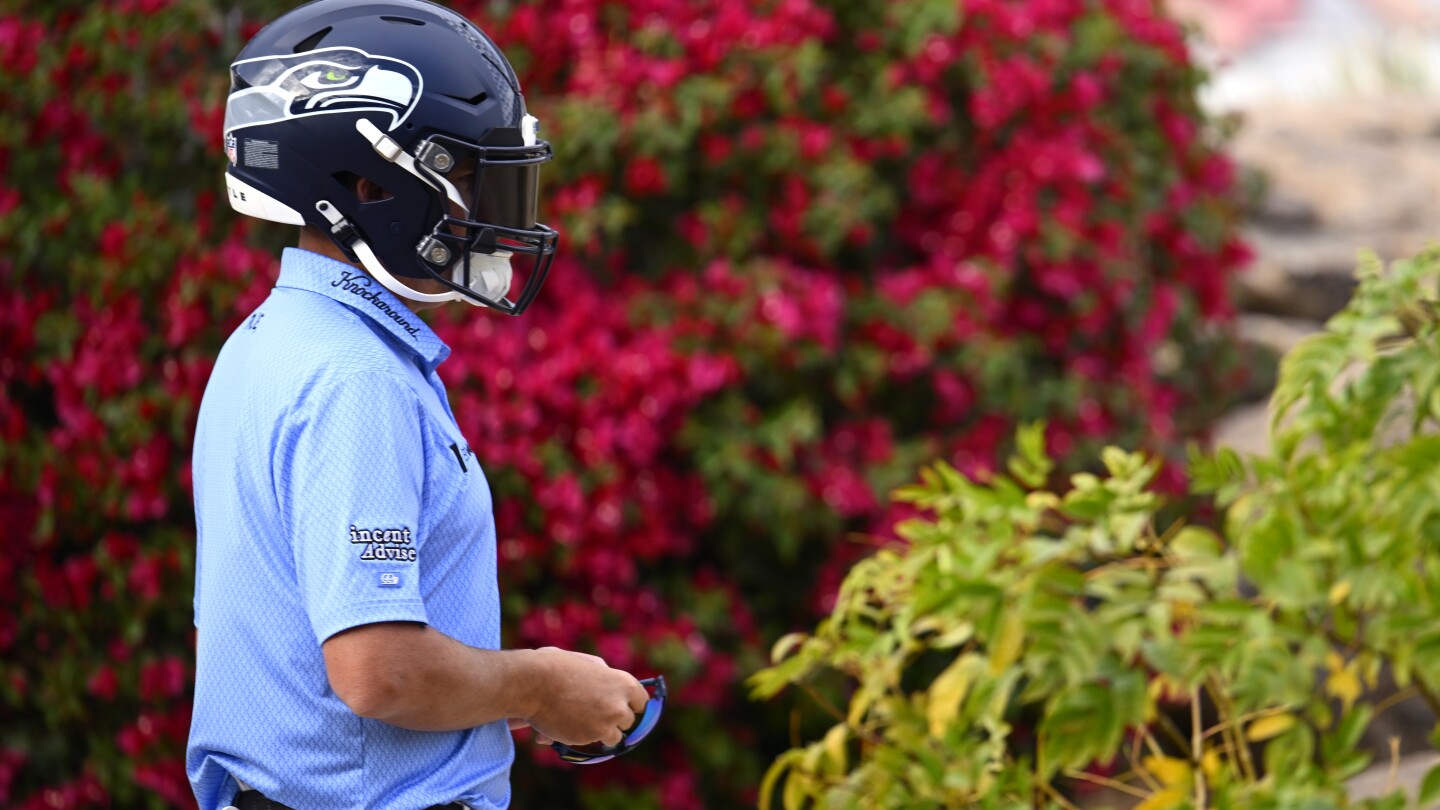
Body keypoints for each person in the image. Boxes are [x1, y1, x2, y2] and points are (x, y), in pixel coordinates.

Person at [186, 2, 651, 808]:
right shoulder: (355, 379)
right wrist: (544, 687)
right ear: (368, 186)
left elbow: (245, 645)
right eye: (470, 176)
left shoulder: (261, 344)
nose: (495, 213)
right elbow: (378, 671)